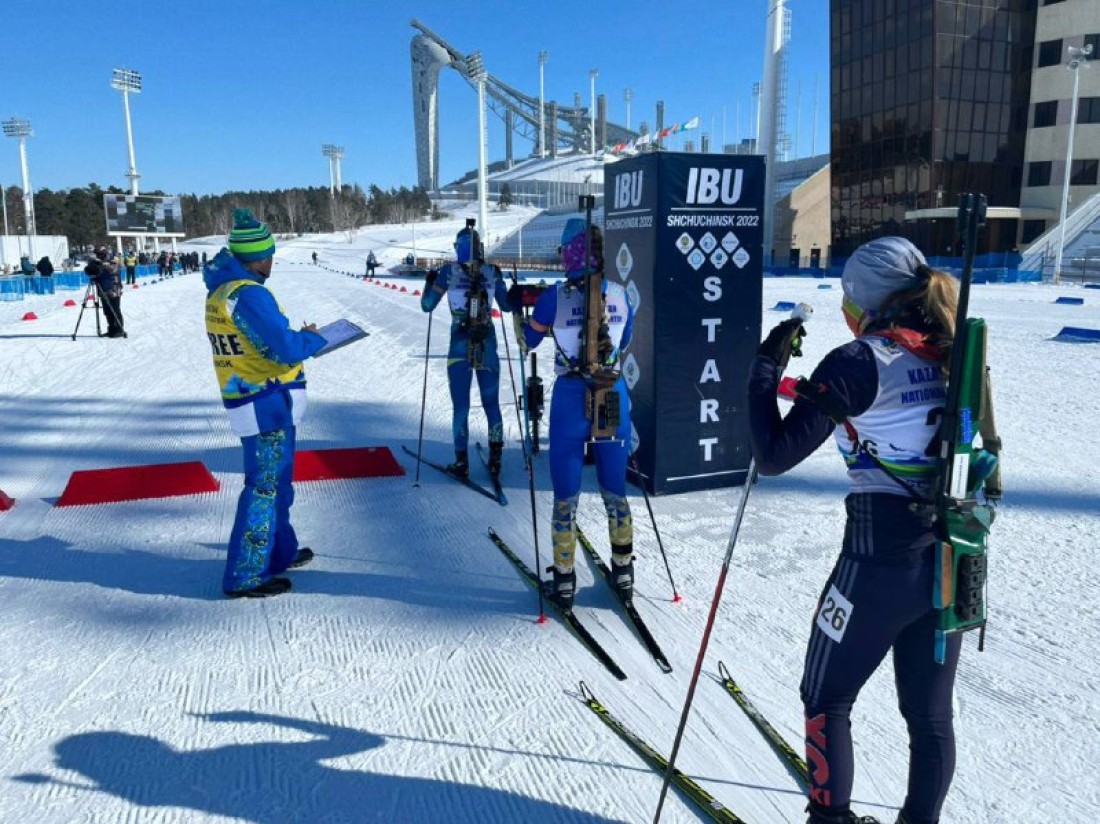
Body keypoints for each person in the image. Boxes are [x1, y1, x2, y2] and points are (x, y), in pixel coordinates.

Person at [746, 237, 964, 824]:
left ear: (864, 301)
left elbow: (773, 454)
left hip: (878, 558)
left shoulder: (859, 359)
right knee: (930, 718)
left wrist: (765, 368)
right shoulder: (952, 350)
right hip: (953, 556)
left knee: (826, 698)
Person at [204, 208, 327, 598]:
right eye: (269, 254)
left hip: (255, 399)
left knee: (278, 485)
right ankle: (245, 573)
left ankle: (277, 551)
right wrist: (313, 338)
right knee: (264, 488)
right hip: (264, 402)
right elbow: (284, 348)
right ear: (256, 257)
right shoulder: (250, 294)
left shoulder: (222, 289)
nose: (272, 260)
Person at [514, 219, 635, 610]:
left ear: (570, 252)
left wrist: (520, 313)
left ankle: (564, 580)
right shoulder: (619, 293)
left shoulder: (554, 296)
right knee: (614, 488)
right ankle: (623, 570)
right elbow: (626, 339)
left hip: (570, 395)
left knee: (565, 494)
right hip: (611, 392)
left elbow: (528, 341)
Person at [419, 223, 513, 479]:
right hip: (488, 343)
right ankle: (496, 460)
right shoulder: (492, 271)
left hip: (459, 343)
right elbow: (507, 305)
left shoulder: (448, 272)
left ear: (459, 248)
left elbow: (427, 305)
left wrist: (429, 284)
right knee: (491, 403)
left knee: (461, 405)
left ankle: (462, 462)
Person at [84, 247, 126, 338]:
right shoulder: (97, 263)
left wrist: (102, 264)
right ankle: (111, 329)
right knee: (107, 311)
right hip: (103, 290)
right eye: (96, 254)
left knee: (115, 310)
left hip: (114, 290)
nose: (97, 256)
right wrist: (91, 266)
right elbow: (90, 272)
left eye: (99, 254)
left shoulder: (112, 261)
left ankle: (119, 329)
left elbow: (114, 269)